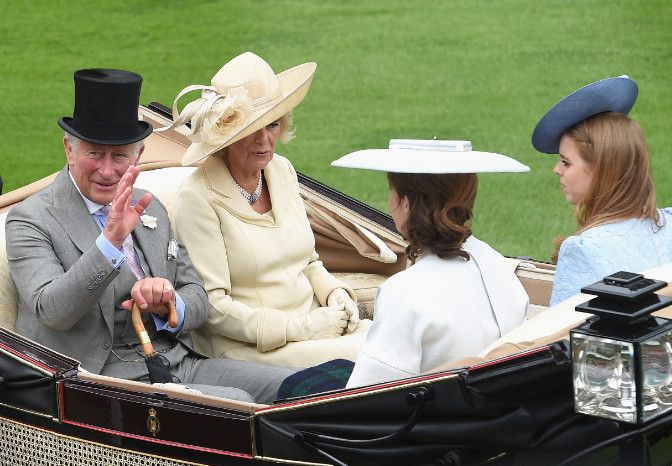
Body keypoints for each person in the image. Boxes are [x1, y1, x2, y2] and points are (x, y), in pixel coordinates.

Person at [5, 68, 296, 404]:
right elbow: (53, 311)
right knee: (239, 405)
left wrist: (170, 305)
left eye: (119, 156)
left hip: (175, 362)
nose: (107, 170)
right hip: (96, 379)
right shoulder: (30, 218)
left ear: (138, 156)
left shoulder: (149, 206)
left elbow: (197, 296)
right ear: (69, 149)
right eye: (94, 154)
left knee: (306, 384)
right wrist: (110, 243)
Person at [163, 52, 370, 367]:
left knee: (387, 339)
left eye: (272, 125)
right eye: (250, 129)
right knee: (367, 358)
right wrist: (301, 328)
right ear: (225, 135)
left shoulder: (282, 170)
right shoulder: (197, 197)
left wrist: (334, 294)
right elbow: (214, 309)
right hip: (249, 346)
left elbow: (308, 262)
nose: (264, 140)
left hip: (315, 323)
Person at [330, 139, 530, 388]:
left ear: (406, 203)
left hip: (427, 418)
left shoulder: (405, 292)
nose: (390, 202)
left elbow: (366, 395)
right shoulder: (497, 263)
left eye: (391, 191)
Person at [531, 76, 672, 306]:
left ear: (602, 170)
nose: (556, 170)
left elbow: (563, 336)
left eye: (566, 162)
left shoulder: (582, 250)